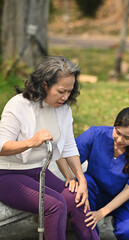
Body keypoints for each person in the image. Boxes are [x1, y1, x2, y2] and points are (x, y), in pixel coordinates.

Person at [0, 56, 99, 240]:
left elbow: (69, 146)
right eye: (61, 91)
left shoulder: (63, 109)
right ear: (45, 84)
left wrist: (80, 180)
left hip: (38, 171)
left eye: (69, 91)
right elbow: (1, 146)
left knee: (76, 199)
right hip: (7, 174)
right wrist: (30, 142)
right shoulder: (18, 105)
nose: (65, 97)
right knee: (55, 205)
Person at [59, 107, 129, 240]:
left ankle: (120, 220)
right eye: (117, 132)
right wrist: (71, 178)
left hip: (126, 200)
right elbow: (65, 154)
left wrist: (101, 213)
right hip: (95, 190)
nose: (120, 140)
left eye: (127, 137)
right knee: (77, 194)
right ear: (114, 124)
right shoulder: (96, 134)